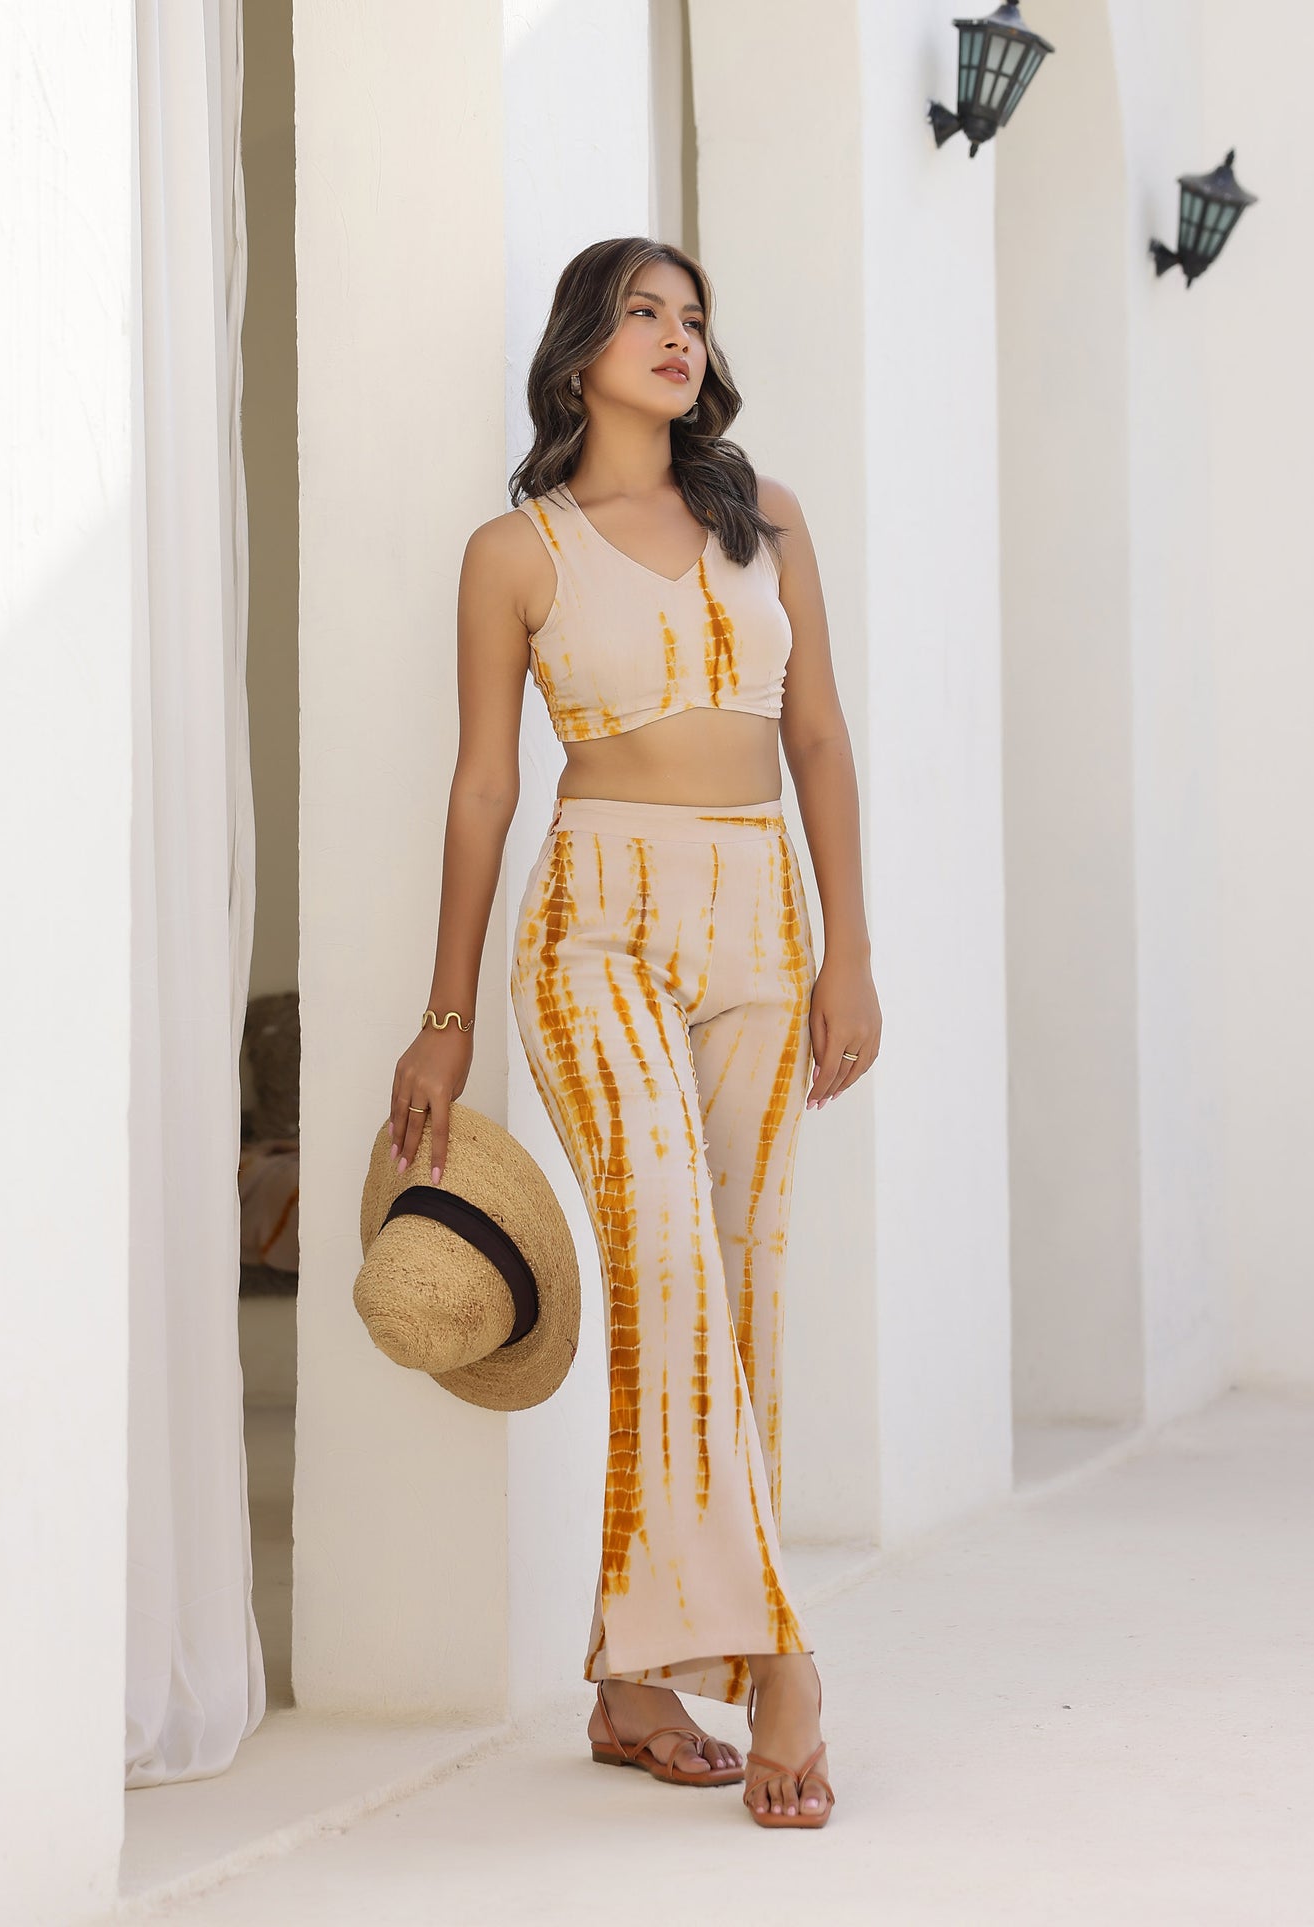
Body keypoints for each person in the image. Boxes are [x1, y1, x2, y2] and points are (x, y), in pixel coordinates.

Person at [386, 237, 881, 1828]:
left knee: (735, 1293)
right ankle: (781, 1661)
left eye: (692, 318)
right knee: (665, 1254)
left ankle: (632, 1678)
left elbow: (819, 740)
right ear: (578, 352)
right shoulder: (515, 551)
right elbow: (484, 787)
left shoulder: (766, 519)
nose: (675, 338)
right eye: (642, 314)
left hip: (763, 923)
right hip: (593, 924)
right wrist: (442, 1020)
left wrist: (851, 956)